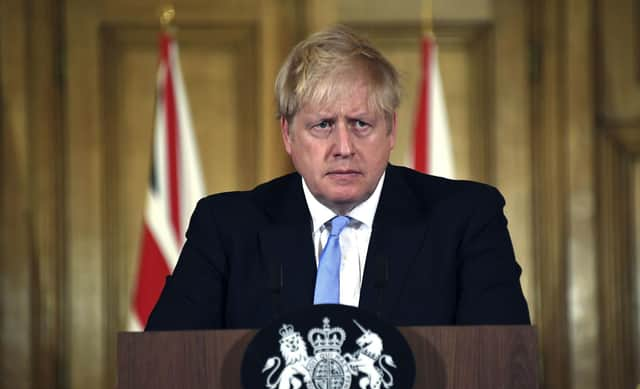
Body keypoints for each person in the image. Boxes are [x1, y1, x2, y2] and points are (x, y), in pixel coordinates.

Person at [146, 25, 530, 331]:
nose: (343, 146)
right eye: (323, 125)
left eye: (361, 123)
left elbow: (498, 364)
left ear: (391, 130)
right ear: (287, 135)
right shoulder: (227, 227)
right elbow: (167, 363)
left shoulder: (466, 218)